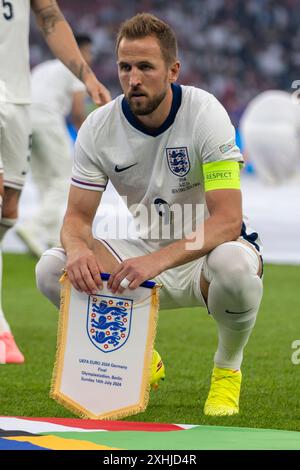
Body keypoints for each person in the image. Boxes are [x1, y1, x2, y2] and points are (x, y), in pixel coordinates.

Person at [36, 13, 263, 416]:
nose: (133, 79)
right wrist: (76, 250)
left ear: (173, 70)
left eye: (145, 67)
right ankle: (140, 360)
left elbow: (227, 220)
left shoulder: (205, 112)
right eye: (125, 67)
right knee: (52, 267)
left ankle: (227, 371)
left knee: (234, 265)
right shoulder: (98, 127)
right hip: (140, 254)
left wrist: (156, 261)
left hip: (203, 255)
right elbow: (75, 222)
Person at [0, 0, 111, 364]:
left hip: (18, 102)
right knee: (58, 183)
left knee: (6, 211)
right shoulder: (61, 76)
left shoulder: (49, 67)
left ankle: (32, 227)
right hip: (34, 112)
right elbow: (77, 114)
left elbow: (49, 15)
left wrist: (87, 76)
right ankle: (1, 324)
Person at [16, 34, 95, 257]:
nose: (89, 57)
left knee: (45, 181)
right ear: (79, 50)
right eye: (88, 52)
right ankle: (33, 226)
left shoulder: (43, 67)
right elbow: (78, 112)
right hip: (48, 119)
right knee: (63, 180)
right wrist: (86, 141)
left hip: (25, 120)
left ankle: (50, 239)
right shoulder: (76, 67)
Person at [240, 90, 300, 184]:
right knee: (287, 178)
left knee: (271, 179)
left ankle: (271, 178)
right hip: (282, 133)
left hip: (252, 131)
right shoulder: (292, 106)